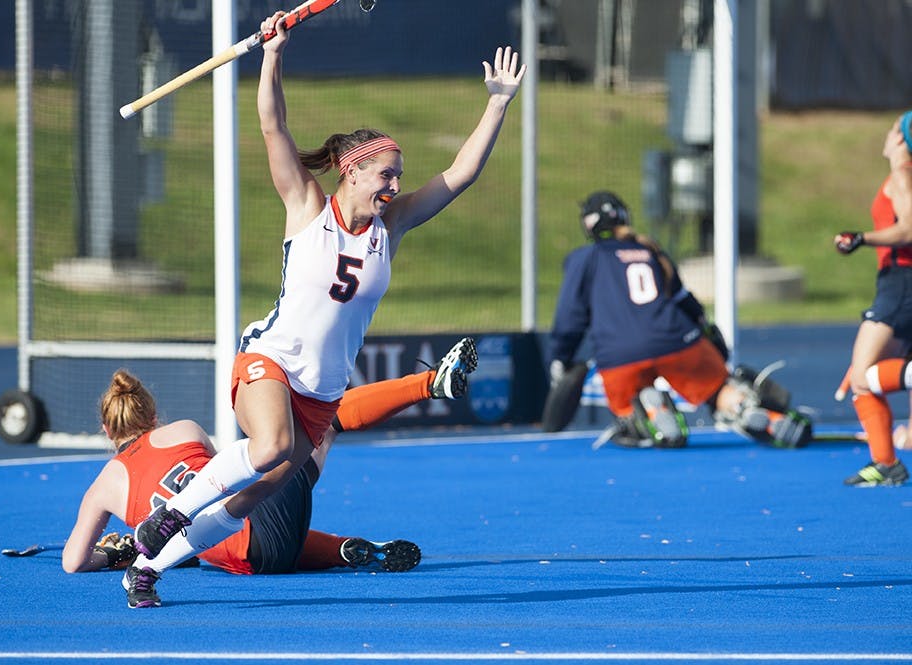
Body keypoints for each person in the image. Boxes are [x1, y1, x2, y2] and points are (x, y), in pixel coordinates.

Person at [124, 9, 524, 607]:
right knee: (269, 449)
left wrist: (496, 103)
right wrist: (273, 54)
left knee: (257, 495)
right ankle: (169, 514)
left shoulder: (394, 225)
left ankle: (147, 567)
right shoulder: (308, 206)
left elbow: (461, 174)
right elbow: (272, 125)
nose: (395, 185)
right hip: (270, 360)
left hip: (322, 390)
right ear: (352, 171)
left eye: (400, 177)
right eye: (386, 175)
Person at [63, 337, 476, 608]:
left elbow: (72, 563)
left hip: (248, 561)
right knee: (322, 421)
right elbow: (228, 478)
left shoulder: (102, 488)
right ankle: (428, 384)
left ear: (105, 429)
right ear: (152, 416)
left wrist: (113, 554)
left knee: (244, 519)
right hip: (256, 526)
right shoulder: (183, 430)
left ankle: (339, 550)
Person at [547, 190, 812, 450]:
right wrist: (707, 334)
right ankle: (744, 407)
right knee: (718, 389)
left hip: (618, 354)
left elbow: (570, 316)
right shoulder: (651, 251)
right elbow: (685, 301)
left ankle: (650, 412)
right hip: (676, 338)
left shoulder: (584, 259)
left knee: (627, 416)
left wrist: (561, 357)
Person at [832, 111, 912, 487]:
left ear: (902, 140)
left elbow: (908, 229)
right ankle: (887, 463)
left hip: (901, 283)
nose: (889, 133)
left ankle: (885, 464)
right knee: (884, 371)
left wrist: (861, 238)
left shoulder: (903, 175)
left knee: (863, 378)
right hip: (900, 283)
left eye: (895, 129)